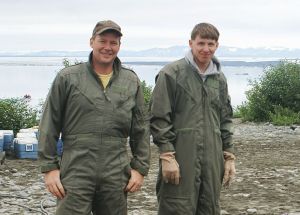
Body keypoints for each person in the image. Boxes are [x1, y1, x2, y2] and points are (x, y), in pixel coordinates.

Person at [38, 20, 150, 215]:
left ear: (119, 46)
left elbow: (141, 128)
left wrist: (140, 168)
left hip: (116, 171)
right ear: (92, 42)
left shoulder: (131, 80)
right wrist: (49, 169)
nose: (108, 47)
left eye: (113, 43)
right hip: (75, 169)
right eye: (102, 41)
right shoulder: (68, 78)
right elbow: (49, 124)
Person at [150, 22, 236, 215]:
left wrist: (229, 156)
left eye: (211, 44)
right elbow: (158, 118)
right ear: (191, 43)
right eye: (201, 43)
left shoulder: (219, 79)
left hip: (212, 160)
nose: (206, 49)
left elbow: (225, 119)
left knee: (209, 207)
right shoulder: (171, 74)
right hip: (181, 156)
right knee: (176, 207)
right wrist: (167, 156)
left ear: (217, 46)